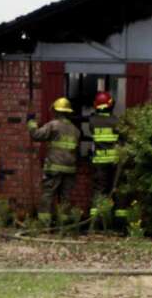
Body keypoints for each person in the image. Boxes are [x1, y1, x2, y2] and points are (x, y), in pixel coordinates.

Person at [27, 96, 82, 225]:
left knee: (48, 194)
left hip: (54, 167)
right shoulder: (76, 130)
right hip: (70, 169)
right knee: (65, 197)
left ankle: (44, 223)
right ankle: (63, 225)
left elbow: (36, 135)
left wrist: (31, 122)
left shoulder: (53, 125)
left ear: (56, 111)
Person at [87, 91, 123, 223]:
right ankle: (118, 221)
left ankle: (95, 221)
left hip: (99, 162)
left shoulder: (93, 121)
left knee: (99, 190)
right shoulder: (117, 122)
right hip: (115, 162)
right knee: (116, 189)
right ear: (111, 105)